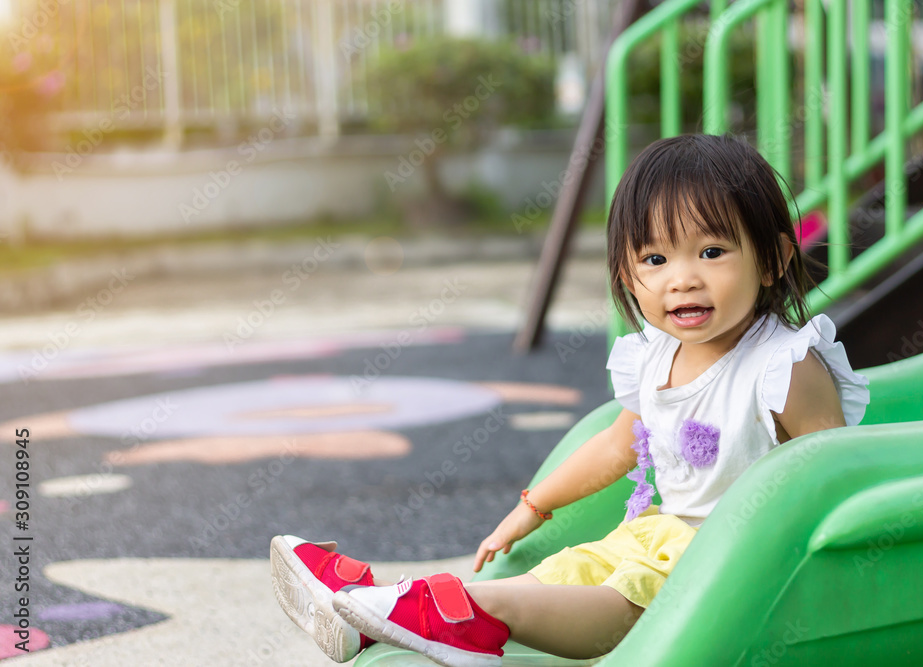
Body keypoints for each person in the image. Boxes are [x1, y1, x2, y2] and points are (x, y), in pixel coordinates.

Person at [269, 134, 870, 667]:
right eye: (655, 259)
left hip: (735, 558)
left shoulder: (782, 367)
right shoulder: (656, 355)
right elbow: (617, 445)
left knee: (620, 602)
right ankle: (380, 622)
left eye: (712, 253)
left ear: (773, 261)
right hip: (658, 537)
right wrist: (532, 506)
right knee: (559, 576)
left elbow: (829, 475)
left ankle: (402, 603)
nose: (681, 278)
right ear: (627, 273)